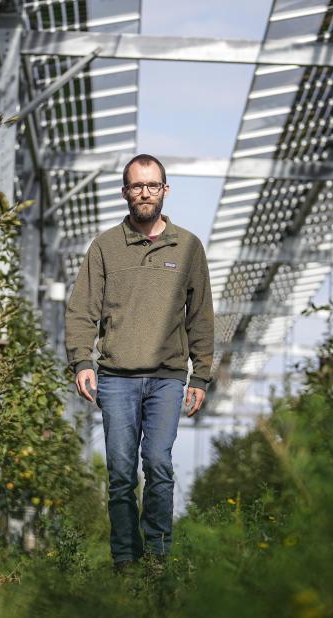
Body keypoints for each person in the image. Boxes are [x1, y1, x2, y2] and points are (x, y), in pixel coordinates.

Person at [64, 153, 215, 572]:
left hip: (167, 378)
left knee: (160, 465)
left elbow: (201, 315)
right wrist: (82, 361)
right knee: (121, 474)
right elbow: (81, 310)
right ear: (125, 192)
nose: (144, 192)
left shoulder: (187, 247)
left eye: (152, 185)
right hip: (115, 378)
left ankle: (158, 559)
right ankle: (127, 561)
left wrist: (200, 374)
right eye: (136, 185)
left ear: (165, 190)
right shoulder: (105, 247)